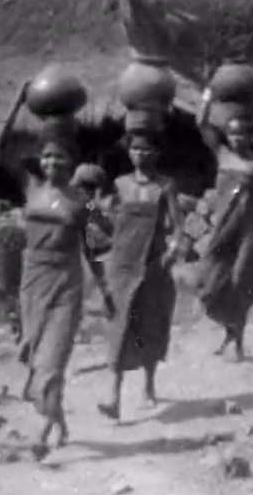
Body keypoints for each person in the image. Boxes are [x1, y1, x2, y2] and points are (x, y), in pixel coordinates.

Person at [0, 82, 114, 460]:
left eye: (60, 158)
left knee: (53, 362)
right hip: (32, 283)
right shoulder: (30, 188)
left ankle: (43, 433)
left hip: (65, 285)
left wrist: (107, 293)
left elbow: (94, 253)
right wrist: (18, 100)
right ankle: (59, 420)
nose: (52, 163)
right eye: (47, 157)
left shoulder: (82, 203)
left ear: (72, 162)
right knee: (34, 357)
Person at [97, 130, 184, 420]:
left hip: (153, 265)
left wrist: (172, 250)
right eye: (136, 149)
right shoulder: (119, 184)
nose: (141, 155)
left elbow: (178, 227)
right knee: (119, 327)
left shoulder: (166, 186)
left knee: (150, 325)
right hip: (122, 266)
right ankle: (114, 397)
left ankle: (148, 384)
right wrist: (89, 204)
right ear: (129, 152)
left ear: (156, 153)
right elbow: (99, 216)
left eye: (147, 150)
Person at [195, 89, 253, 362]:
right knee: (208, 283)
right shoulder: (222, 155)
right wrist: (207, 99)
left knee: (241, 284)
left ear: (251, 136)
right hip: (222, 230)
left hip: (248, 231)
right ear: (227, 136)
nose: (237, 138)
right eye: (232, 134)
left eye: (242, 134)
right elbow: (201, 125)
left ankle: (237, 340)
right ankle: (228, 328)